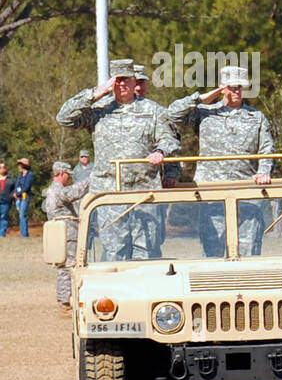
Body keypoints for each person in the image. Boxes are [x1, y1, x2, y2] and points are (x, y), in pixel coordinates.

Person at [55, 59, 179, 260]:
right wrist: (95, 93)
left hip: (144, 192)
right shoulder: (99, 110)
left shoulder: (153, 110)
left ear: (133, 81)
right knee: (114, 252)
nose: (122, 84)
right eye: (117, 80)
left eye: (126, 80)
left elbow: (170, 139)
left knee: (147, 253)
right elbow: (64, 118)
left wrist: (161, 151)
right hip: (109, 192)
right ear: (111, 82)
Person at [166, 65, 275, 256]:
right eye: (232, 87)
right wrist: (200, 98)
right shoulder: (205, 113)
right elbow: (172, 114)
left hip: (246, 191)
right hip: (212, 192)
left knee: (249, 252)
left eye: (240, 87)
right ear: (222, 87)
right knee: (213, 253)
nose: (237, 91)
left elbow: (267, 149)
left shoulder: (256, 117)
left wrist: (264, 171)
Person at [42, 161, 90, 314]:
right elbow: (74, 192)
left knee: (65, 267)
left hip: (61, 234)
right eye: (68, 175)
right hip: (67, 234)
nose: (69, 178)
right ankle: (65, 301)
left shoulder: (51, 191)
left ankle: (65, 299)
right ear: (61, 173)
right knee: (68, 267)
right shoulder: (57, 190)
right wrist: (91, 179)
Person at [11, 158, 34, 237]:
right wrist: (15, 193)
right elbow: (17, 185)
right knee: (21, 215)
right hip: (19, 198)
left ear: (23, 165)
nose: (18, 166)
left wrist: (19, 193)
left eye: (19, 165)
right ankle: (24, 233)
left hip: (25, 197)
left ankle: (23, 234)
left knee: (22, 214)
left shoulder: (30, 175)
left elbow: (26, 187)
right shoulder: (20, 175)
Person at [0, 162, 13, 237]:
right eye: (1, 167)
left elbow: (14, 189)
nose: (2, 169)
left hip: (6, 201)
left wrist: (11, 196)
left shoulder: (10, 179)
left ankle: (2, 235)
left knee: (3, 217)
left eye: (4, 167)